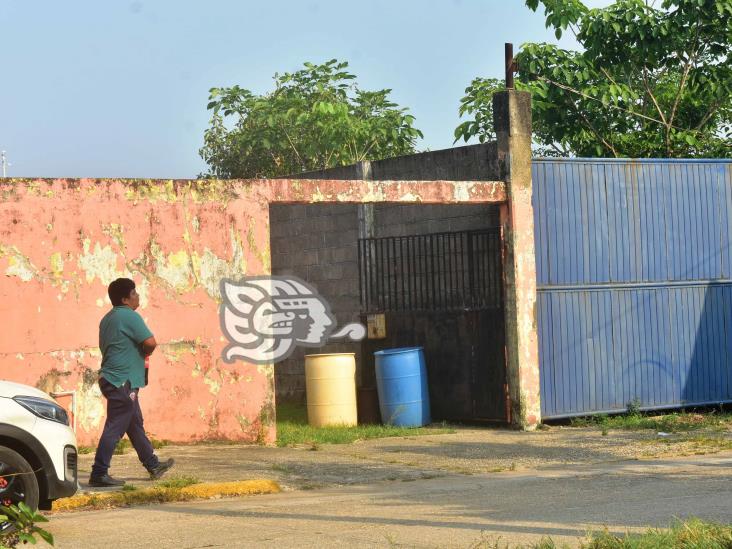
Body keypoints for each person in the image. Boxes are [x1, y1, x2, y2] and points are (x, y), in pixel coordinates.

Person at [89, 278, 174, 487]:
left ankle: (153, 465)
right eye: (134, 293)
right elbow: (150, 342)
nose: (138, 296)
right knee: (114, 427)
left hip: (112, 378)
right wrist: (145, 351)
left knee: (134, 424)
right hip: (121, 381)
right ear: (125, 298)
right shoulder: (129, 316)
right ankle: (99, 472)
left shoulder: (107, 319)